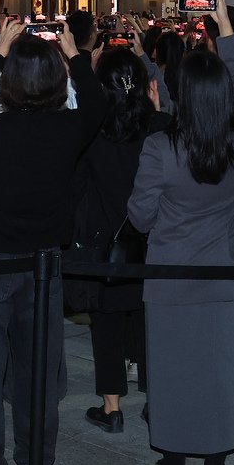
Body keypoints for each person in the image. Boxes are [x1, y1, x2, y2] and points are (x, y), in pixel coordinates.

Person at [128, 0, 234, 465]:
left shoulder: (159, 148)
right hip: (224, 277)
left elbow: (140, 215)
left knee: (172, 374)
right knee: (217, 373)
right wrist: (228, 37)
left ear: (181, 96)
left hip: (171, 278)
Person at [0, 18, 104, 465]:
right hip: (45, 262)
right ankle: (34, 461)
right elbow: (98, 103)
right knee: (38, 368)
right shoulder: (69, 128)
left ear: (10, 81)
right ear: (59, 81)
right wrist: (76, 55)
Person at [74, 34, 169, 433]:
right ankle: (155, 401)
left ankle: (111, 408)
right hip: (153, 242)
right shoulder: (157, 128)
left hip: (106, 243)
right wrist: (159, 109)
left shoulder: (92, 130)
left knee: (106, 324)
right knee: (150, 322)